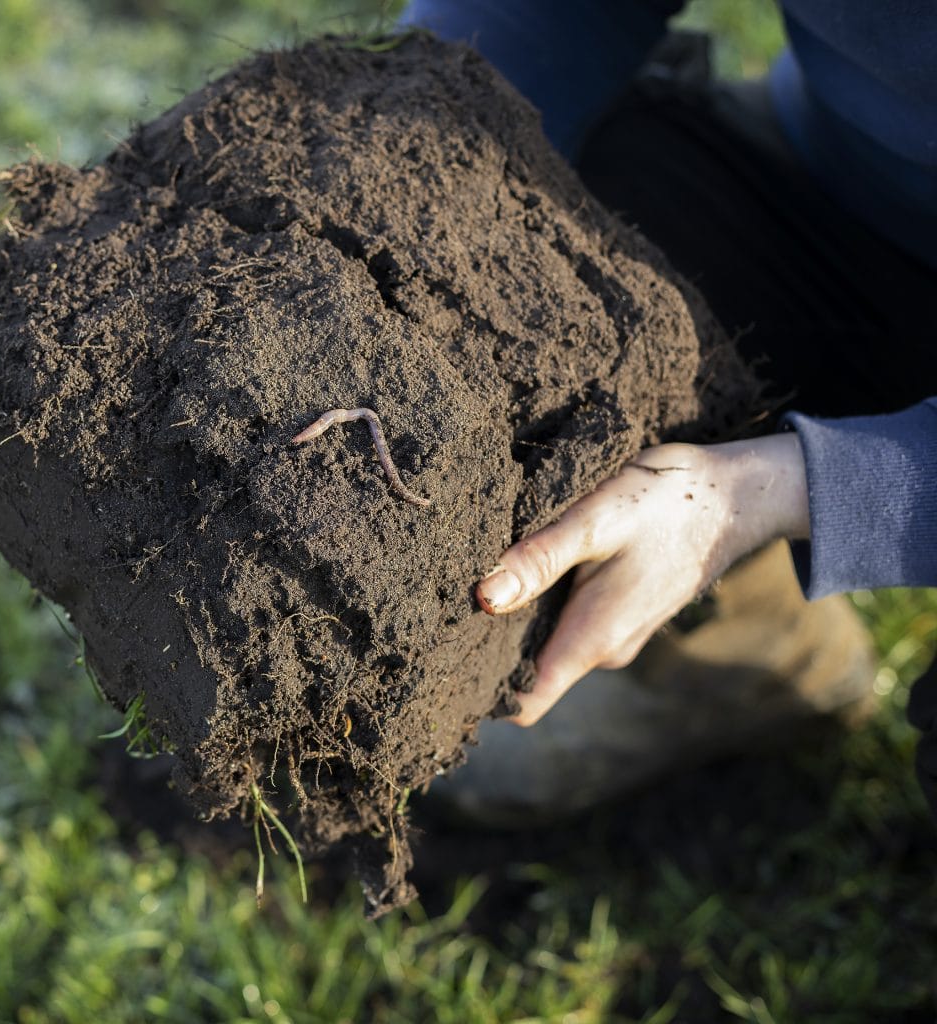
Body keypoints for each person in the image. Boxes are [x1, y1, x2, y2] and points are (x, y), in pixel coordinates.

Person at [395, 0, 937, 822]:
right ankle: (742, 640)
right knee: (566, 234)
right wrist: (405, 162)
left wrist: (755, 494)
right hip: (856, 200)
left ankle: (725, 582)